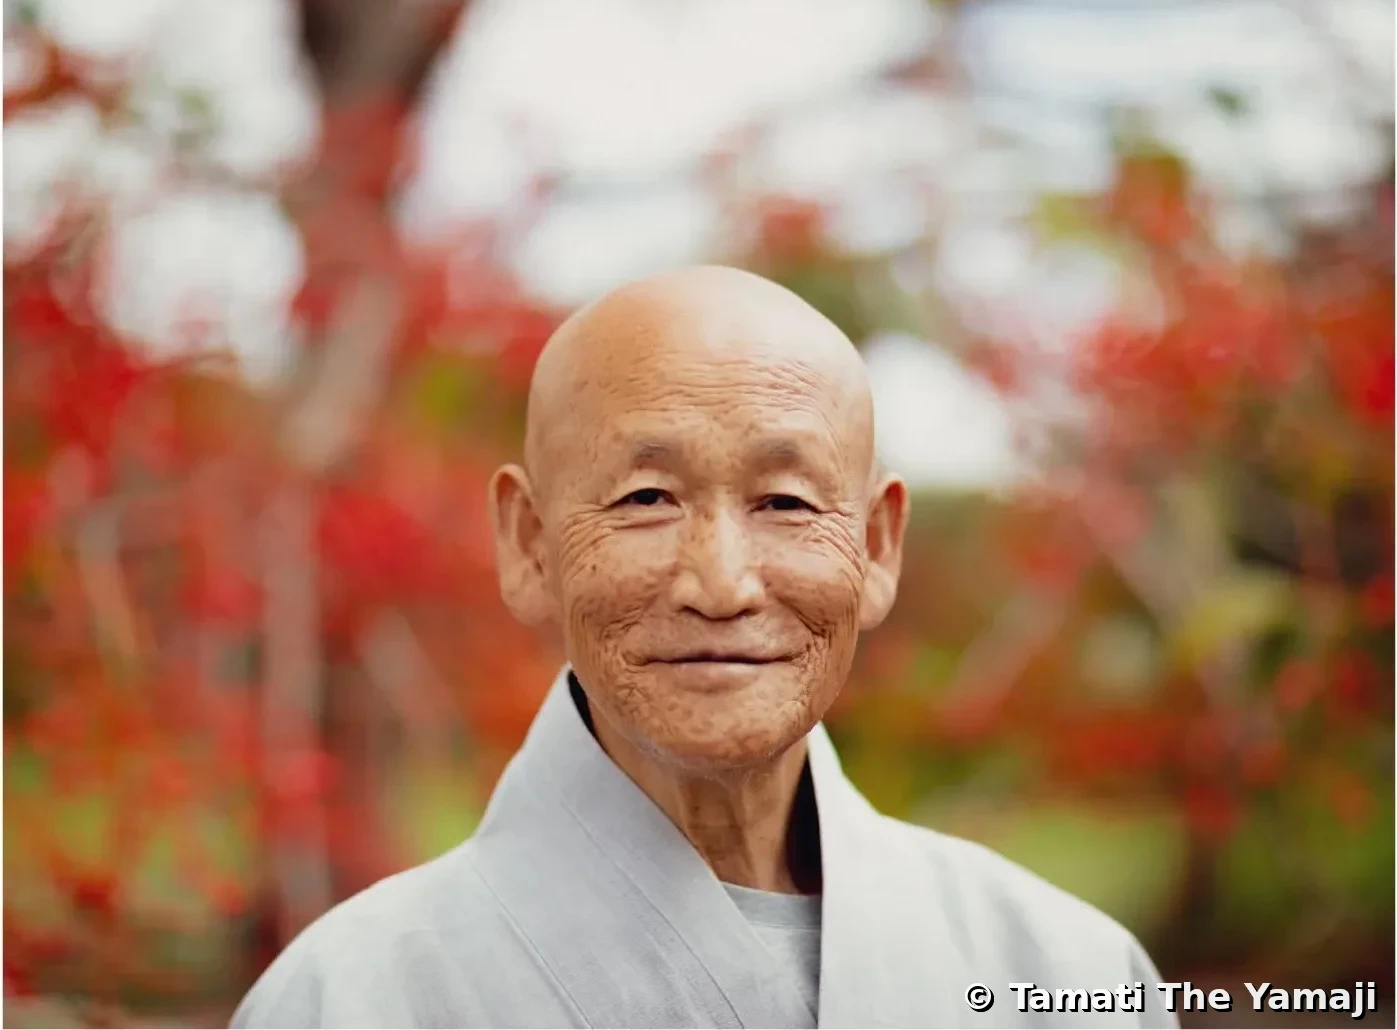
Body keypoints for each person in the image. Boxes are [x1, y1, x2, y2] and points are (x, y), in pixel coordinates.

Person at [232, 266, 1176, 1029]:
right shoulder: (347, 1001)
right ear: (527, 544)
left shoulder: (1069, 974)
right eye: (646, 498)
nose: (721, 584)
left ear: (877, 547)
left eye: (786, 502)